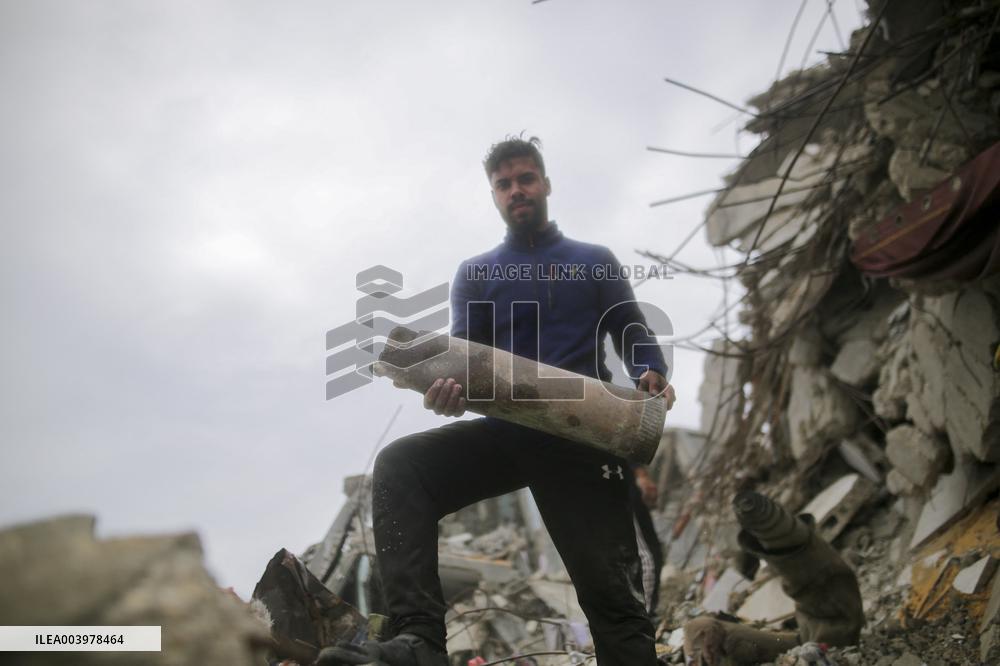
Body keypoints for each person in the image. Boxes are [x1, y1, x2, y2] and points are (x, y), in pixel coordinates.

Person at [323, 136, 675, 666]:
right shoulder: (476, 274)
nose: (517, 190)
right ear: (494, 195)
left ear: (546, 184)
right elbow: (468, 360)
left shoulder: (593, 262)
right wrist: (450, 394)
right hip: (507, 434)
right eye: (504, 183)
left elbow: (632, 330)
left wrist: (651, 371)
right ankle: (418, 640)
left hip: (582, 438)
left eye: (526, 178)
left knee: (613, 605)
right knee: (401, 467)